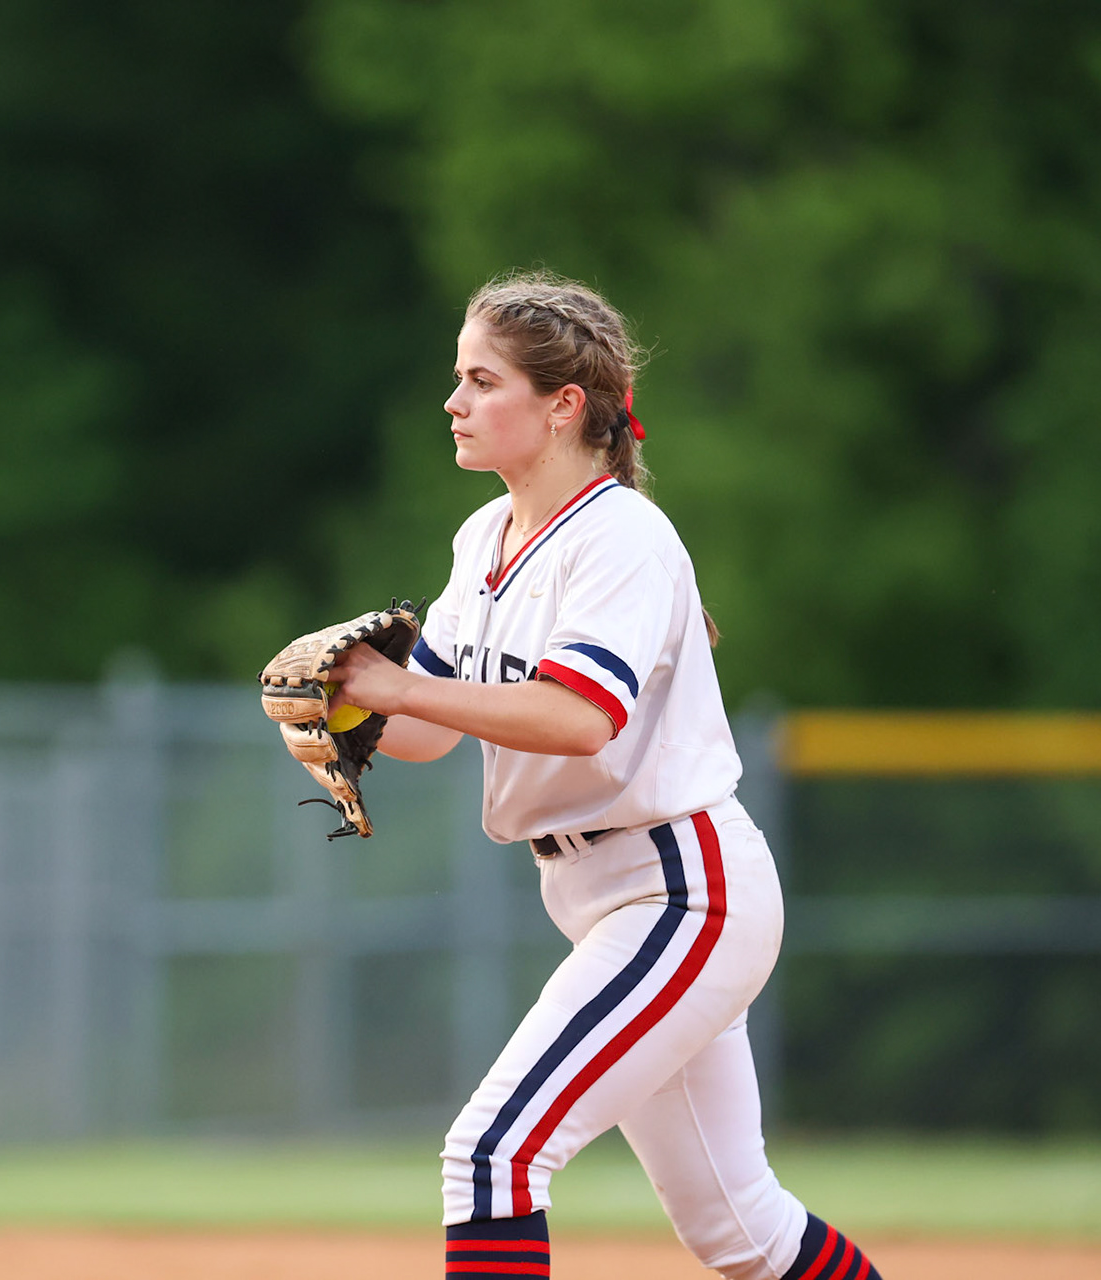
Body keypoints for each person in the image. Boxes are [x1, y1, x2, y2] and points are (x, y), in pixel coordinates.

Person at [324, 272, 883, 1280]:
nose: (454, 401)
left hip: (682, 889)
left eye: (482, 379)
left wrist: (395, 688)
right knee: (739, 1227)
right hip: (602, 892)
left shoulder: (619, 535)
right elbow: (431, 730)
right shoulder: (483, 538)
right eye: (459, 377)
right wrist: (342, 709)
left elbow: (581, 718)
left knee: (492, 1154)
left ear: (563, 404)